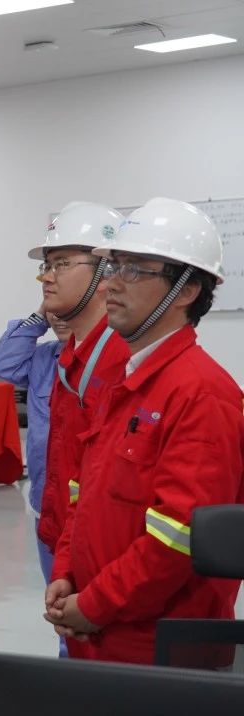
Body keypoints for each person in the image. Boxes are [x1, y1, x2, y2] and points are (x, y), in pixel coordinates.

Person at [45, 198, 244, 664]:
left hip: (157, 650)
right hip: (100, 636)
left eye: (134, 270)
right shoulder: (125, 381)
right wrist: (66, 571)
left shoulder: (202, 394)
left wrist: (94, 606)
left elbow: (177, 540)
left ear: (187, 289)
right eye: (114, 265)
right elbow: (84, 492)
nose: (111, 283)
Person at [30, 203, 131, 620]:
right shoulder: (73, 354)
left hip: (106, 562)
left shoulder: (120, 362)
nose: (46, 277)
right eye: (47, 265)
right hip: (69, 547)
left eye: (61, 264)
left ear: (106, 272)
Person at [0, 307, 72, 583]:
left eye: (68, 309)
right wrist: (40, 317)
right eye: (54, 311)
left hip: (84, 504)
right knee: (55, 593)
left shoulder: (109, 359)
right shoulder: (44, 358)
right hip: (44, 499)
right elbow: (1, 363)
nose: (59, 317)